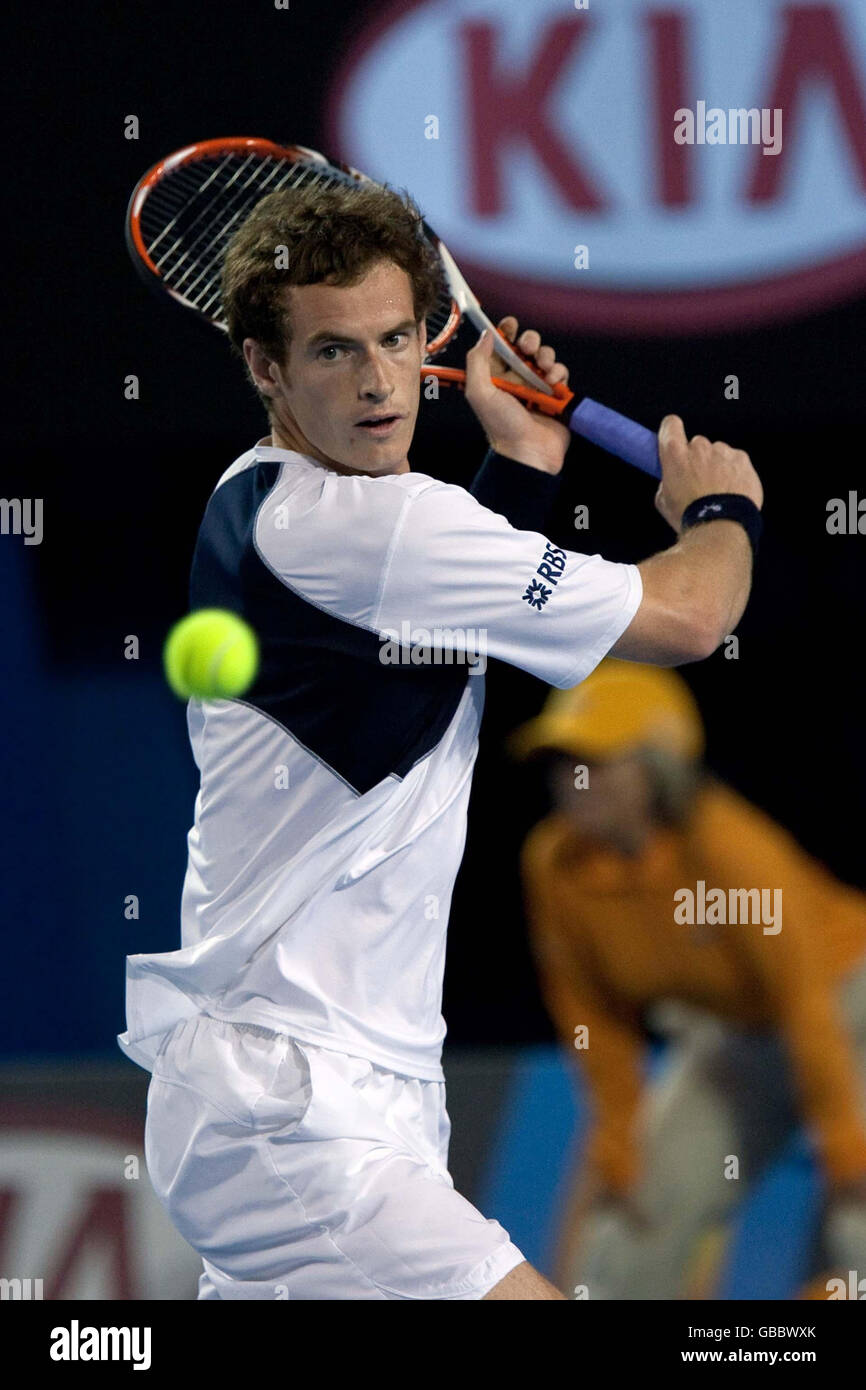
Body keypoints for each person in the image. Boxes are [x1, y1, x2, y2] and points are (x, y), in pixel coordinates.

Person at [117, 175, 762, 1300]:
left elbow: (427, 633)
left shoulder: (267, 497)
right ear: (262, 368)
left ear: (427, 335)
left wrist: (518, 460)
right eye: (330, 353)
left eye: (396, 338)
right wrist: (721, 513)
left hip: (323, 1098)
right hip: (296, 1107)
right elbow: (691, 616)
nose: (377, 384)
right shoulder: (375, 525)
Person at [513, 660, 866, 1299]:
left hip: (849, 1008)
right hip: (738, 1036)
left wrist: (844, 1143)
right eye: (561, 764)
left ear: (658, 767)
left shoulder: (733, 851)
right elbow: (591, 1017)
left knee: (860, 1214)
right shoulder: (553, 865)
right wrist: (620, 1140)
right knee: (639, 1207)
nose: (572, 782)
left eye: (594, 760)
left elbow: (806, 1000)